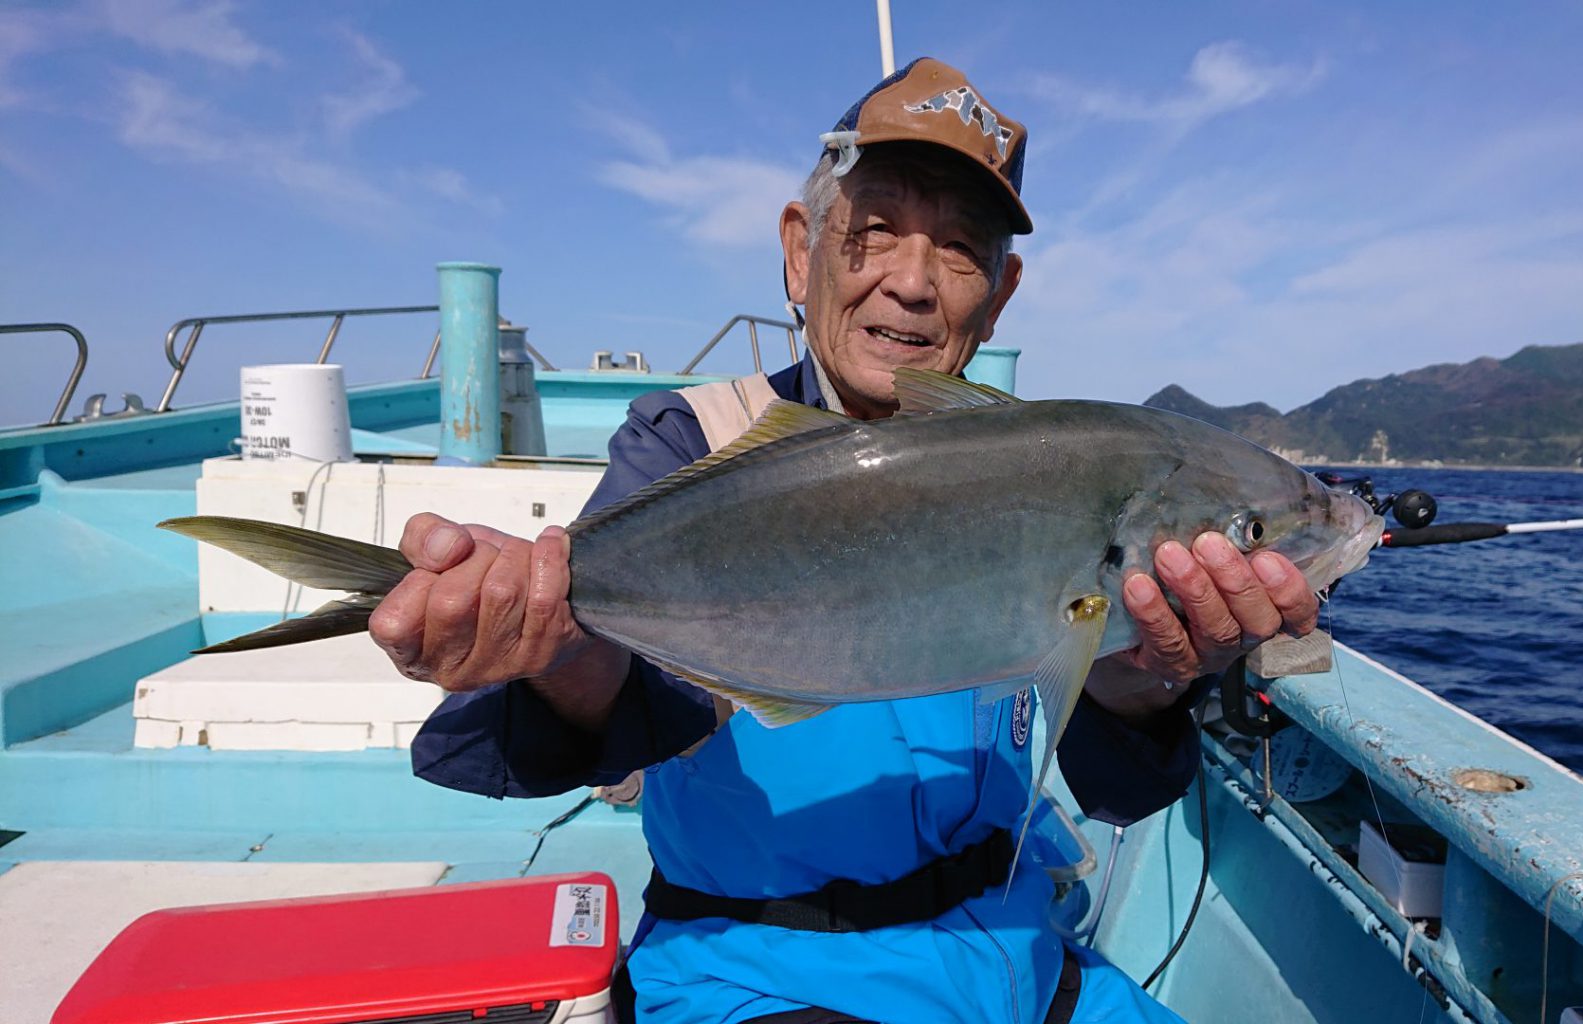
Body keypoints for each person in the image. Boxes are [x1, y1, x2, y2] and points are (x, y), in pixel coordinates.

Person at [376, 58, 1319, 1024]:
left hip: (1018, 955)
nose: (911, 285)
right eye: (873, 232)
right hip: (757, 972)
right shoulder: (691, 444)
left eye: (959, 250)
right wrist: (550, 643)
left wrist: (1153, 670)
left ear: (999, 293)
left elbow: (1112, 781)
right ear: (800, 249)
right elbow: (621, 684)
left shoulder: (1045, 469)